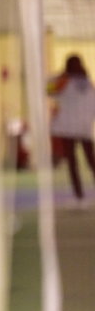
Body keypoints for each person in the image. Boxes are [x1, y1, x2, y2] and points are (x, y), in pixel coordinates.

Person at [47, 54, 95, 201]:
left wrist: (59, 76)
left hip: (67, 128)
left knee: (73, 163)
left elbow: (48, 90)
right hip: (83, 128)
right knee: (91, 160)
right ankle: (79, 194)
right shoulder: (88, 84)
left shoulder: (64, 82)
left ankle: (79, 195)